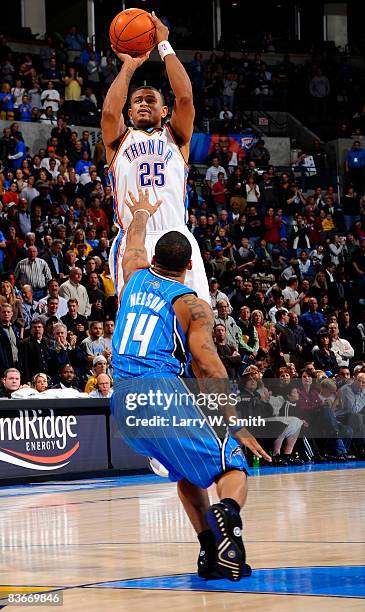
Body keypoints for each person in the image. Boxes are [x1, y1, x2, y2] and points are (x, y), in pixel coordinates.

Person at [111, 188, 270, 581]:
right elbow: (210, 369)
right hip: (157, 388)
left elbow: (132, 244)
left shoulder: (132, 275)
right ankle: (228, 519)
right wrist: (234, 424)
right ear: (189, 266)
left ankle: (210, 555)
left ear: (154, 260)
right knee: (231, 464)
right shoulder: (191, 303)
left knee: (186, 471)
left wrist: (143, 213)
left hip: (121, 399)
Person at [101, 11, 209, 303]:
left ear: (165, 112)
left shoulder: (177, 137)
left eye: (151, 100)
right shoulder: (119, 139)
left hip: (177, 234)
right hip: (135, 239)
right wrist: (130, 66)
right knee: (138, 322)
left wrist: (164, 45)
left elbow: (185, 98)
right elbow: (110, 113)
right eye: (138, 101)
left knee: (197, 319)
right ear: (130, 112)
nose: (144, 103)